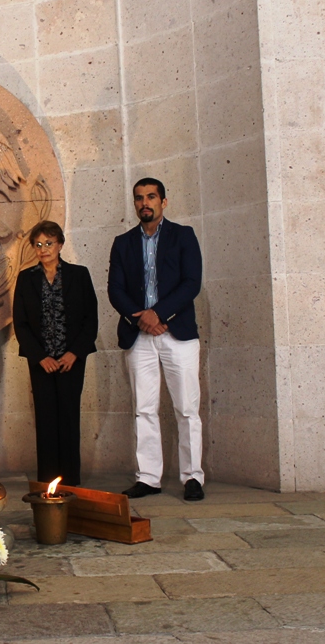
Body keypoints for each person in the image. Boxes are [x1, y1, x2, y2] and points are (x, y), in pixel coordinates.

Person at [108, 178, 205, 501]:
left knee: (186, 408)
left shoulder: (183, 236)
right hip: (139, 335)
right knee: (144, 409)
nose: (144, 203)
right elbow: (115, 289)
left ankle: (193, 477)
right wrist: (142, 318)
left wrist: (159, 314)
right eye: (139, 198)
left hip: (177, 334)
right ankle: (148, 478)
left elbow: (191, 283)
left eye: (151, 197)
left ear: (164, 201)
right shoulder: (123, 243)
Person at [13, 221, 98, 486]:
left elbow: (90, 319)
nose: (44, 249)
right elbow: (20, 323)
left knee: (69, 418)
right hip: (42, 362)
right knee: (46, 419)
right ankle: (47, 482)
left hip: (71, 360)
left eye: (49, 243)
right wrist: (40, 357)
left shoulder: (79, 275)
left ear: (60, 244)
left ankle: (70, 481)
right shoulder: (26, 278)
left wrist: (75, 353)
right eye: (38, 244)